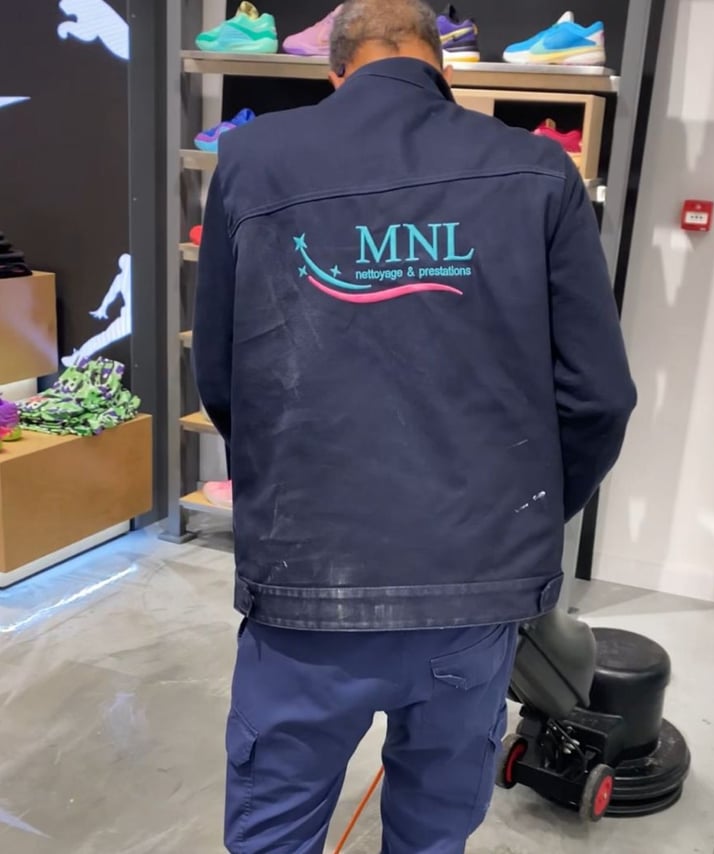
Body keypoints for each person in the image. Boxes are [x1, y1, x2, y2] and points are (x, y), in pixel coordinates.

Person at [193, 1, 636, 851]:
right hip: (473, 585)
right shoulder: (540, 169)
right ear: (444, 66)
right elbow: (598, 397)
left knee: (273, 831)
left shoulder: (252, 158)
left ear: (336, 71)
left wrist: (287, 491)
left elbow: (221, 374)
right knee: (433, 834)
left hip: (307, 582)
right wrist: (523, 517)